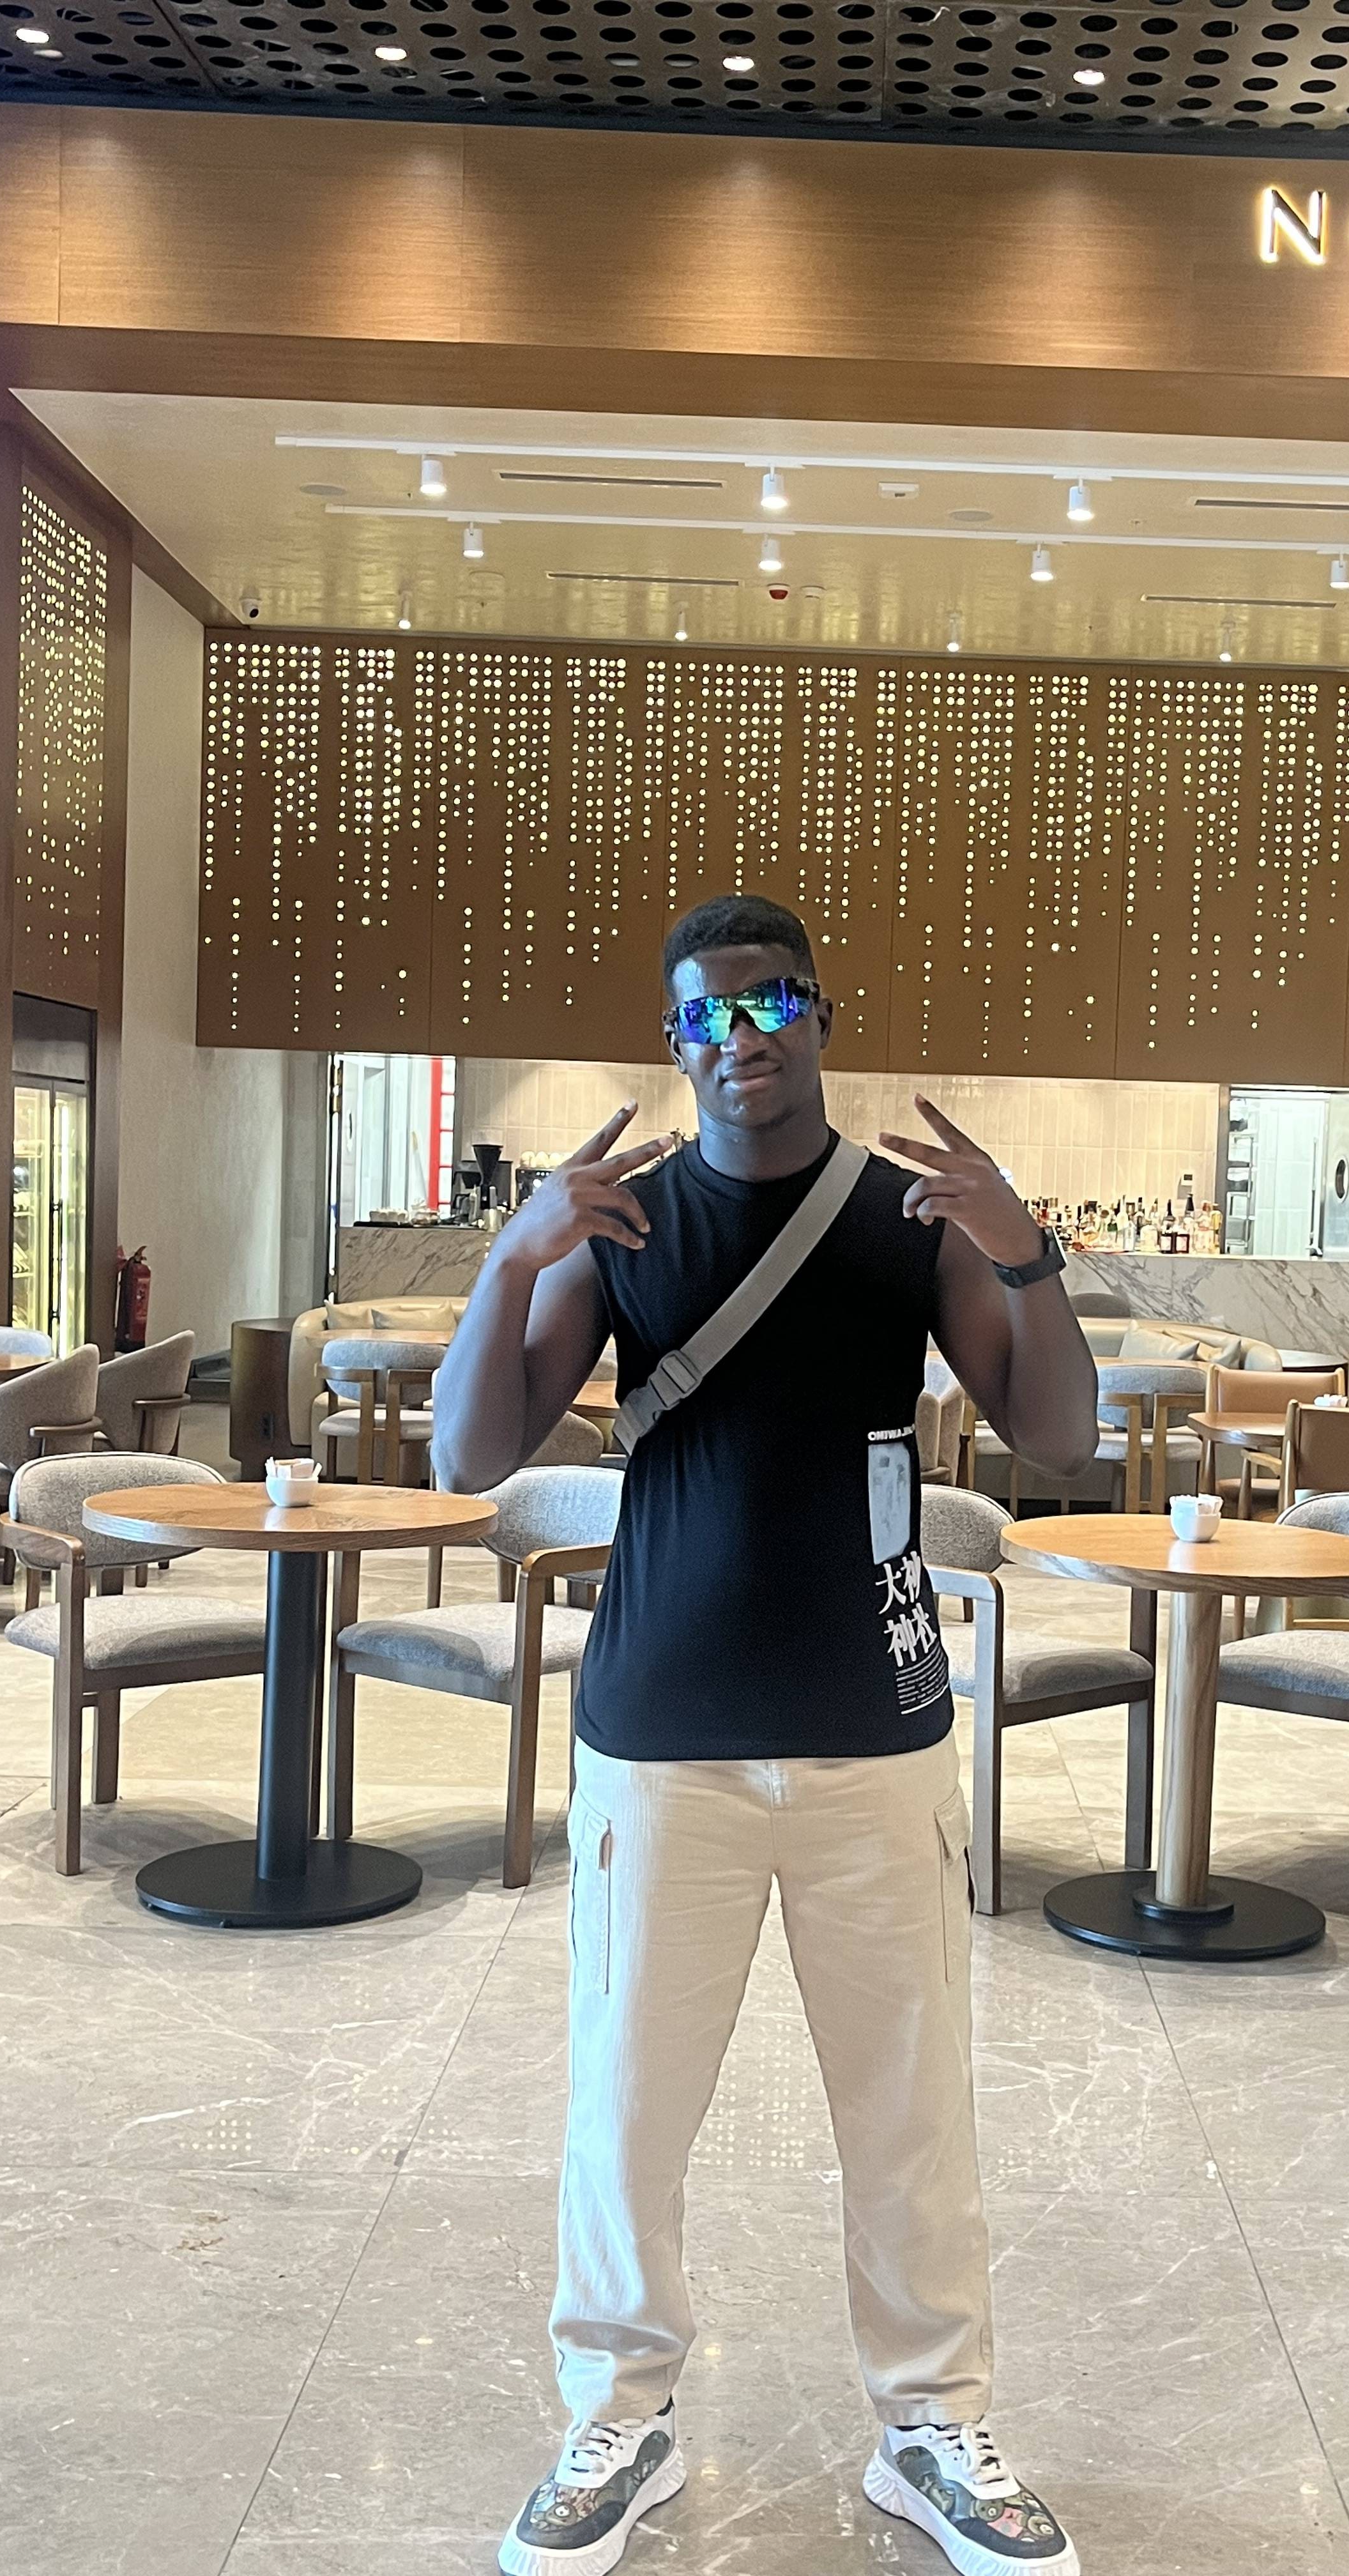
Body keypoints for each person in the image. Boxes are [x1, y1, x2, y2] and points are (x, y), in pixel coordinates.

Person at [434, 892, 1099, 2576]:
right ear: (677, 1044)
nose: (744, 1037)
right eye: (708, 1014)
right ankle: (618, 2416)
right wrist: (513, 1259)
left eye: (773, 1001)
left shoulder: (908, 1217)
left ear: (820, 1013)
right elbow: (468, 1456)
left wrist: (1026, 1255)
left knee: (910, 2109)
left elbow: (1061, 1436)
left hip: (878, 1728)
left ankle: (930, 2423)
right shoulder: (627, 1224)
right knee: (628, 2108)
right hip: (663, 1735)